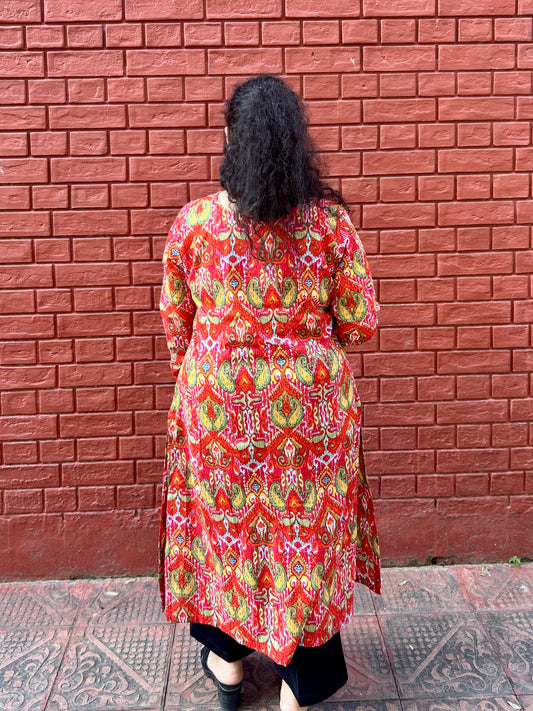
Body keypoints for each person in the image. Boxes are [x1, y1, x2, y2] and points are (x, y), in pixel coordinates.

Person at [159, 74, 380, 711]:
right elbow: (360, 323)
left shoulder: (195, 223)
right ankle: (297, 692)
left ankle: (228, 669)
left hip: (218, 409)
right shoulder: (329, 225)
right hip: (310, 415)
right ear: (294, 142)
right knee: (305, 543)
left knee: (227, 533)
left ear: (232, 138)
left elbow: (177, 324)